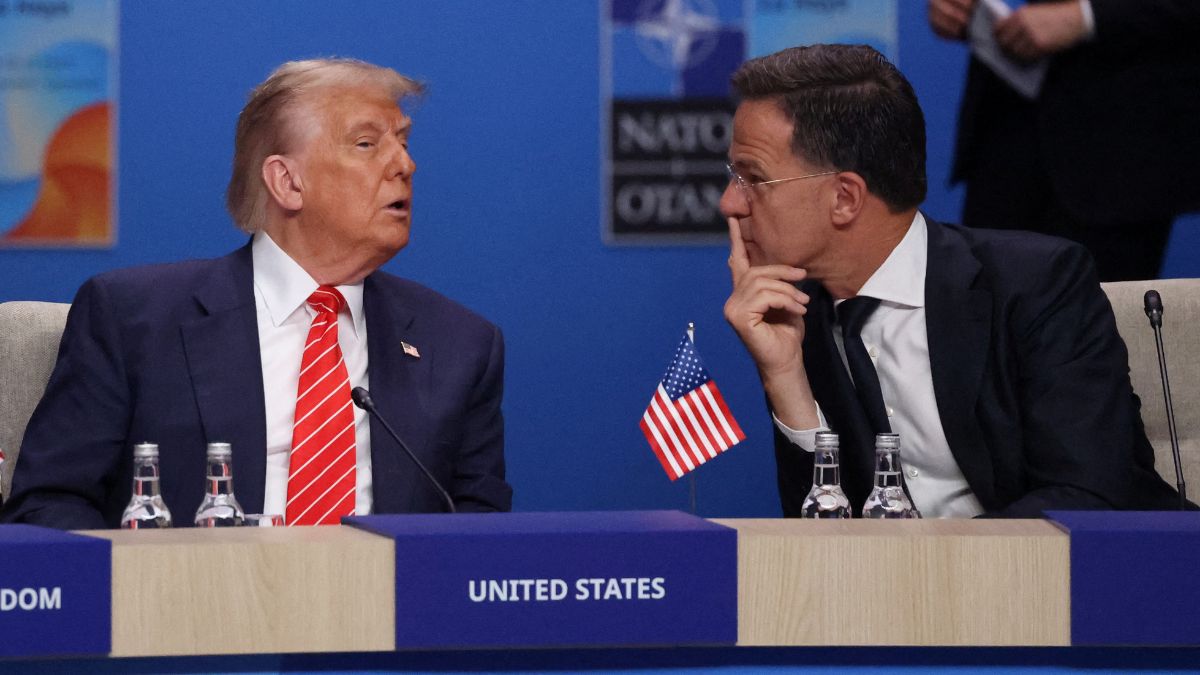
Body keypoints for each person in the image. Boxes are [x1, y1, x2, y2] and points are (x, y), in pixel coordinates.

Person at [1, 58, 512, 529]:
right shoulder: (134, 320)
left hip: (385, 621)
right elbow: (49, 505)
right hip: (186, 618)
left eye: (403, 140)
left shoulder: (460, 346)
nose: (405, 164)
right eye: (367, 143)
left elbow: (477, 540)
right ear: (287, 182)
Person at [720, 44, 1186, 518]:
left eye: (752, 178)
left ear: (845, 197)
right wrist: (784, 378)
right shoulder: (798, 317)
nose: (729, 205)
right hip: (908, 588)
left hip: (1091, 583)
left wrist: (941, 570)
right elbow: (820, 543)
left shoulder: (1036, 284)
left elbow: (1088, 496)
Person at [929, 0, 1200, 282]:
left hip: (1121, 153)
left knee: (1097, 319)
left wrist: (1087, 15)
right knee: (985, 314)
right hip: (1003, 127)